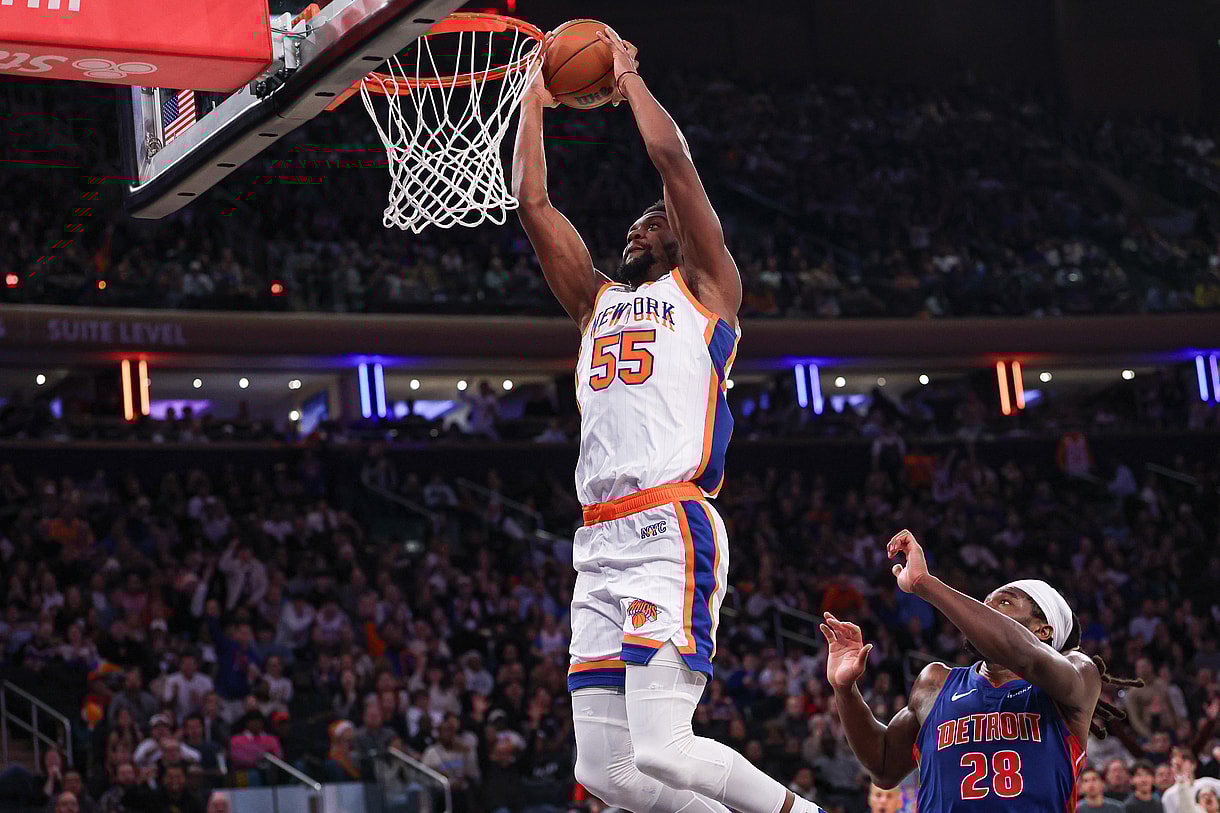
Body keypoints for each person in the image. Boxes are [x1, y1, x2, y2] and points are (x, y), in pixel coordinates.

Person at [512, 25, 816, 813]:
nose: (638, 228)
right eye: (635, 224)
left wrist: (626, 80)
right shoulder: (596, 303)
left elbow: (673, 161)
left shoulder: (707, 289)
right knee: (607, 770)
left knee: (663, 747)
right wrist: (533, 103)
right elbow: (533, 204)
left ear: (685, 235)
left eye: (654, 221)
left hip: (667, 523)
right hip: (598, 537)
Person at [823, 529, 1141, 812]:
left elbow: (1026, 658)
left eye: (1004, 604)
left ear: (1043, 631)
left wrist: (926, 585)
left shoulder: (1079, 674)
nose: (985, 611)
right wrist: (845, 690)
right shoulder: (936, 682)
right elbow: (882, 766)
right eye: (985, 603)